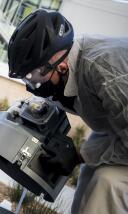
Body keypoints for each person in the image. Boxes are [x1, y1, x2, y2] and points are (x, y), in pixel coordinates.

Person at [7, 9, 128, 214]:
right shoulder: (65, 67)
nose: (33, 86)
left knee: (108, 183)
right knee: (89, 175)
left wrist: (78, 156)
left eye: (34, 80)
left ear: (61, 66)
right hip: (117, 129)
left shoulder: (107, 71)